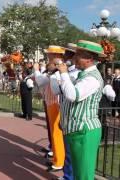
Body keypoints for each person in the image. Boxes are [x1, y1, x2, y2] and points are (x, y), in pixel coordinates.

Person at [58, 40, 105, 180]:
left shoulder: (92, 78)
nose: (74, 58)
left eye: (78, 55)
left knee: (83, 176)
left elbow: (73, 96)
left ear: (89, 59)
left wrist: (64, 74)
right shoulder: (83, 74)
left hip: (84, 132)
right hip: (76, 130)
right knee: (79, 174)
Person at [34, 45, 65, 172]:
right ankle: (56, 157)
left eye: (50, 54)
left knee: (56, 133)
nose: (48, 56)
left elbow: (41, 82)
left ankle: (59, 161)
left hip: (55, 104)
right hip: (51, 102)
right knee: (54, 133)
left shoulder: (58, 68)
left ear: (56, 56)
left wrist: (36, 70)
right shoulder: (54, 68)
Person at [50, 43, 79, 180]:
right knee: (68, 149)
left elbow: (64, 91)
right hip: (65, 111)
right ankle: (67, 175)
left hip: (73, 115)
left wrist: (59, 74)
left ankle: (70, 176)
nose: (65, 56)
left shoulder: (75, 73)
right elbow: (57, 90)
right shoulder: (68, 71)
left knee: (72, 150)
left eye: (68, 53)